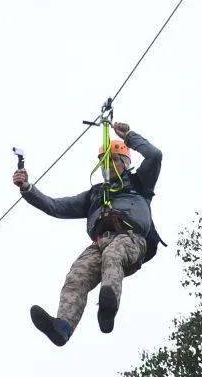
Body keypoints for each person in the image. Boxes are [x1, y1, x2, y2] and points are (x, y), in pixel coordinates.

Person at [12, 121, 162, 345]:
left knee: (114, 254)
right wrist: (27, 188)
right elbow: (55, 206)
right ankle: (63, 327)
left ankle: (108, 309)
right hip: (100, 242)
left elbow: (154, 155)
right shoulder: (94, 195)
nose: (109, 167)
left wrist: (128, 136)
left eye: (113, 161)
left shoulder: (139, 183)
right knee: (77, 274)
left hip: (131, 239)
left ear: (124, 163)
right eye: (105, 163)